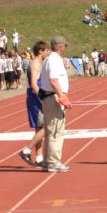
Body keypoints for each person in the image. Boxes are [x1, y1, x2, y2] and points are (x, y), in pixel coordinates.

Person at [39, 35, 72, 172]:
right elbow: (54, 80)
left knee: (50, 131)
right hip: (53, 98)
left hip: (49, 97)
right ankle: (53, 162)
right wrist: (62, 96)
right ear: (60, 47)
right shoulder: (54, 60)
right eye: (64, 46)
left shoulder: (49, 59)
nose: (65, 48)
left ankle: (48, 161)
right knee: (56, 131)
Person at [19, 41, 50, 167]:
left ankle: (39, 157)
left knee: (39, 128)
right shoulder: (36, 64)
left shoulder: (39, 63)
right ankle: (26, 150)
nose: (48, 52)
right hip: (36, 97)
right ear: (41, 51)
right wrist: (43, 98)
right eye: (47, 50)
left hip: (36, 97)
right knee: (47, 127)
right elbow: (34, 84)